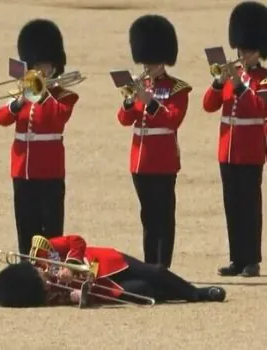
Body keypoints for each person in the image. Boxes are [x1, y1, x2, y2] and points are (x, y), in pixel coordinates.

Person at [0, 18, 79, 255]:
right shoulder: (22, 92)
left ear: (54, 68)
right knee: (25, 225)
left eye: (45, 67)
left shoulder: (63, 96)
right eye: (37, 67)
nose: (41, 72)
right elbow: (1, 118)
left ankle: (52, 274)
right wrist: (20, 100)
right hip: (22, 170)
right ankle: (27, 271)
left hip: (49, 172)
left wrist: (40, 94)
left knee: (51, 230)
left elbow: (57, 117)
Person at [116, 15, 191, 269]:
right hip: (140, 159)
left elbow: (173, 119)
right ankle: (150, 265)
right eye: (146, 61)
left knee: (164, 216)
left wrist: (150, 102)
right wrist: (129, 101)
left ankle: (163, 266)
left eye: (154, 62)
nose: (149, 66)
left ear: (164, 61)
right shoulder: (139, 85)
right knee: (147, 215)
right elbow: (125, 120)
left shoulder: (177, 88)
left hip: (163, 160)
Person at [202, 1, 267, 277]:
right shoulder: (231, 77)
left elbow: (260, 108)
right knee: (232, 206)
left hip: (250, 150)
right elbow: (208, 105)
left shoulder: (263, 79)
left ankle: (252, 259)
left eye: (247, 50)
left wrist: (240, 86)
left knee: (250, 206)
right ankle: (237, 258)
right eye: (240, 49)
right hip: (227, 150)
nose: (242, 54)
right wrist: (218, 83)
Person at [0, 235, 226, 308]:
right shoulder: (49, 295)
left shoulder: (40, 251)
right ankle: (177, 295)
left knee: (154, 271)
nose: (47, 281)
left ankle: (197, 294)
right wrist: (78, 296)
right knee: (144, 290)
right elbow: (81, 299)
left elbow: (75, 241)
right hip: (102, 286)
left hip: (104, 261)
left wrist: (69, 266)